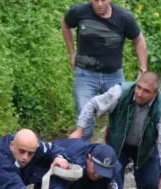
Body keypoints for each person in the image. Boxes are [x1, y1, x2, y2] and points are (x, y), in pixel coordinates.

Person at [69, 71, 161, 189]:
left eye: (146, 91)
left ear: (156, 93)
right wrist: (79, 130)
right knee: (111, 183)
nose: (139, 93)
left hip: (145, 149)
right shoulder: (119, 92)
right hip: (117, 144)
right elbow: (93, 104)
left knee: (151, 188)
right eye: (138, 87)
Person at [62, 0, 148, 141]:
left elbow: (138, 39)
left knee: (123, 115)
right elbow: (65, 25)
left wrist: (143, 69)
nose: (100, 4)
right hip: (85, 75)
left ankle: (113, 149)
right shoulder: (79, 11)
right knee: (84, 120)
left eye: (103, 0)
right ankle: (83, 151)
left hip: (113, 75)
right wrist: (72, 53)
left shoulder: (123, 17)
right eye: (96, 0)